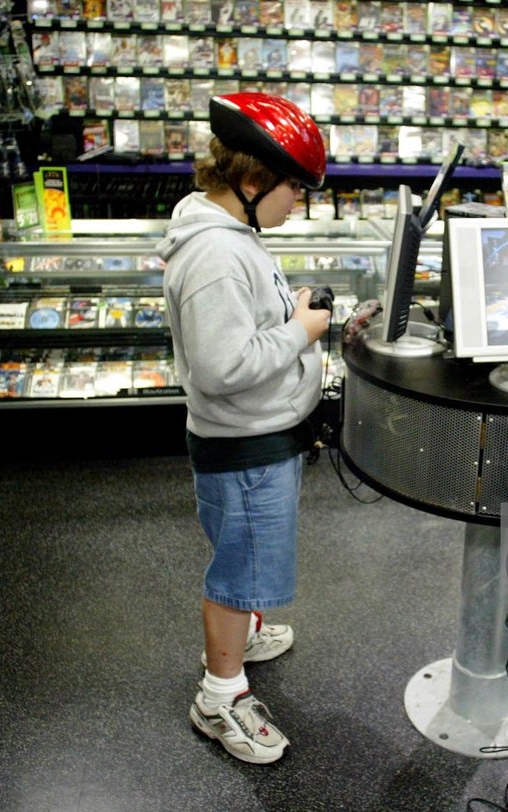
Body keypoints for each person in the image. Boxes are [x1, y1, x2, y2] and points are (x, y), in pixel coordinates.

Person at [156, 92, 330, 763]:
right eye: (297, 188)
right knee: (239, 569)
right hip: (245, 441)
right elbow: (224, 366)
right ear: (253, 181)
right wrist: (301, 330)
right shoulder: (217, 257)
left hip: (249, 436)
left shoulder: (233, 239)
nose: (300, 202)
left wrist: (291, 311)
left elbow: (243, 327)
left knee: (244, 556)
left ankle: (244, 629)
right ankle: (219, 695)